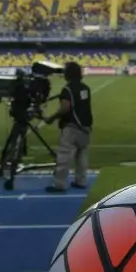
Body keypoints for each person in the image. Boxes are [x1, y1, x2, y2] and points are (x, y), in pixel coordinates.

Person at [43, 61, 92, 192]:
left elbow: (65, 108)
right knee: (82, 155)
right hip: (86, 126)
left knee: (64, 156)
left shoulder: (67, 89)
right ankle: (81, 181)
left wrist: (52, 118)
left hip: (71, 127)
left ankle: (59, 184)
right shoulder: (85, 88)